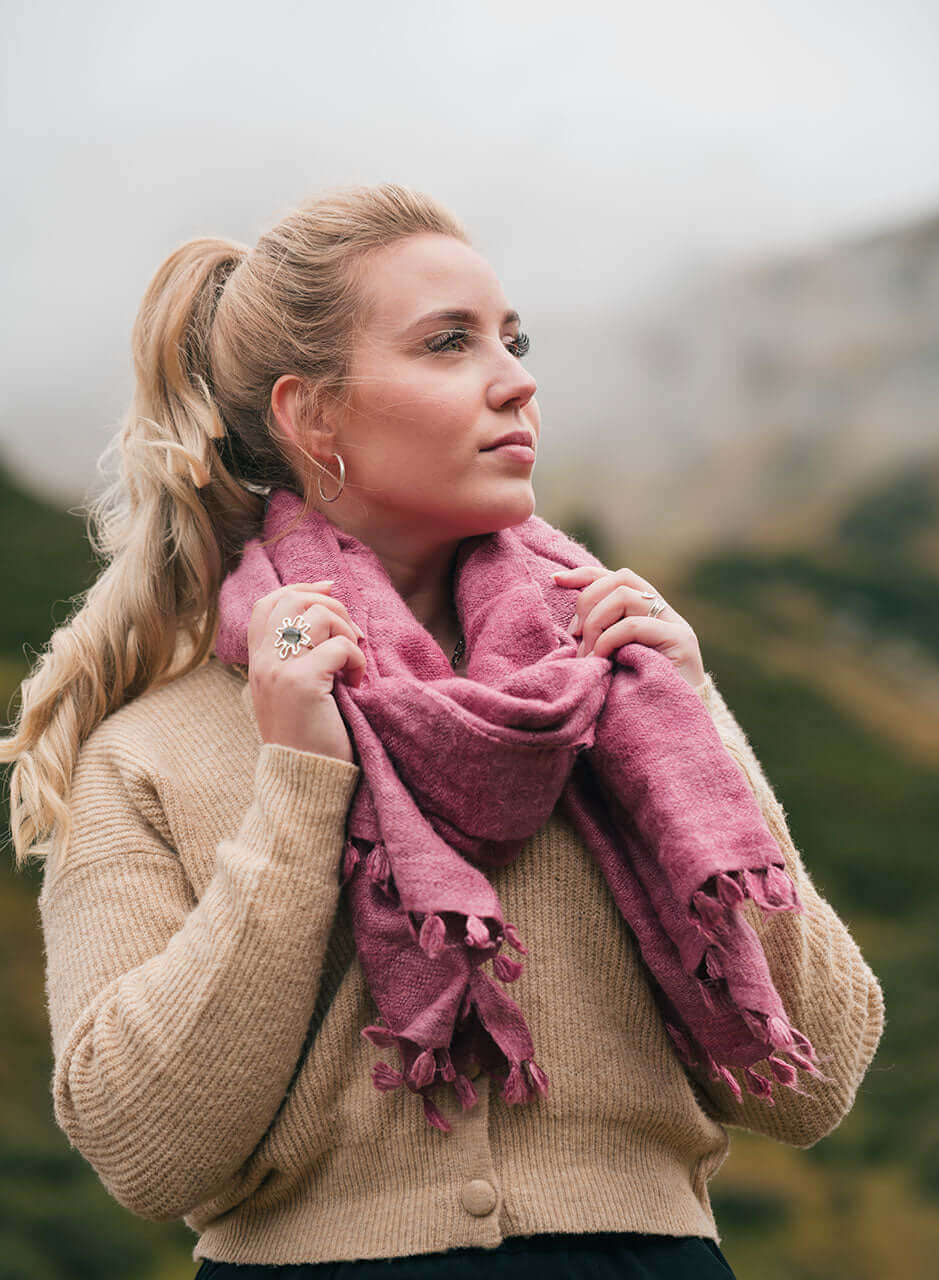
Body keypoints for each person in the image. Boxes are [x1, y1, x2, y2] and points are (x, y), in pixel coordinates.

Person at [2, 183, 884, 1279]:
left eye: (514, 340)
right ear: (311, 414)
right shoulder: (150, 750)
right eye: (450, 342)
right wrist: (295, 786)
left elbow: (819, 1077)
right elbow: (144, 1147)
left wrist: (695, 720)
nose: (517, 380)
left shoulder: (617, 685)